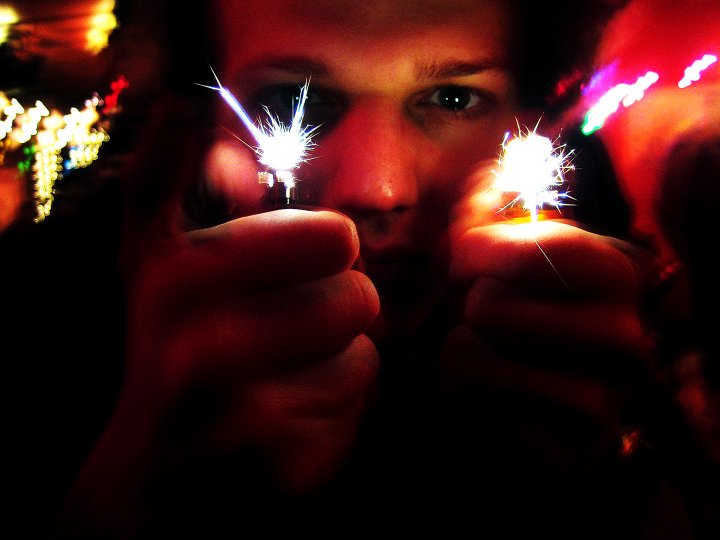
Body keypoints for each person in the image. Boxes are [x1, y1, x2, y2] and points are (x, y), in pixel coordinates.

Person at [2, 0, 715, 538]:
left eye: (453, 98)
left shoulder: (637, 331)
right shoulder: (40, 327)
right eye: (292, 99)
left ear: (531, 126)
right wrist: (129, 493)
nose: (378, 189)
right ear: (198, 130)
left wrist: (620, 476)